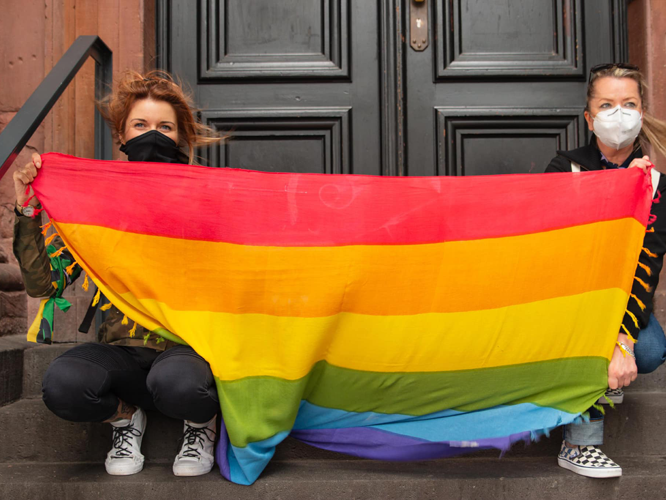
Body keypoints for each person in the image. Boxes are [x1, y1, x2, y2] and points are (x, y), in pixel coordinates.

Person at [12, 70, 223, 477]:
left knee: (179, 383)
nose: (153, 135)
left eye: (165, 126)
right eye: (140, 125)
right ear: (122, 138)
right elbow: (44, 284)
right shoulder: (95, 209)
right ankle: (125, 419)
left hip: (186, 353)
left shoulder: (208, 200)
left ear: (181, 138)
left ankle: (200, 424)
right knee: (64, 384)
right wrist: (27, 210)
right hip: (121, 353)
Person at [545, 63, 666, 478]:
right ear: (589, 117)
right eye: (607, 104)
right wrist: (616, 194)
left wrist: (624, 338)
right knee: (581, 336)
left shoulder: (655, 184)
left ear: (642, 112)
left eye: (629, 104)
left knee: (648, 350)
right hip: (570, 300)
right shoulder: (564, 170)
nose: (619, 114)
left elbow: (646, 266)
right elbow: (557, 251)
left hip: (621, 300)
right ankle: (580, 441)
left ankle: (593, 382)